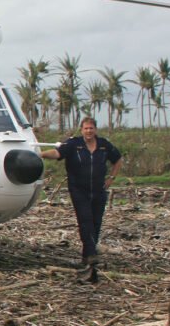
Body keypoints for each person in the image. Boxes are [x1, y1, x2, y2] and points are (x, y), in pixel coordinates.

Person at [40, 117, 122, 282]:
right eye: (86, 129)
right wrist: (40, 154)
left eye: (91, 128)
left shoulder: (104, 145)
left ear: (95, 129)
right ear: (81, 130)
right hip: (79, 190)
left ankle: (86, 256)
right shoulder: (73, 144)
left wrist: (111, 178)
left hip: (99, 190)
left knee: (96, 222)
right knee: (85, 221)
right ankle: (91, 254)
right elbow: (58, 153)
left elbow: (118, 159)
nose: (89, 131)